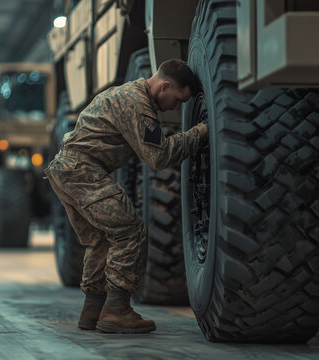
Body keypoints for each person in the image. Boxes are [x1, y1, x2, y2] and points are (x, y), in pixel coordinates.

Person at [45, 59, 208, 334]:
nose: (177, 107)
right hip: (82, 171)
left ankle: (92, 310)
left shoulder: (125, 93)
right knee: (130, 232)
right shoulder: (137, 103)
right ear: (165, 85)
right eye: (178, 99)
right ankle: (117, 311)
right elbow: (158, 156)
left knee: (99, 240)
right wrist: (199, 132)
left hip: (65, 171)